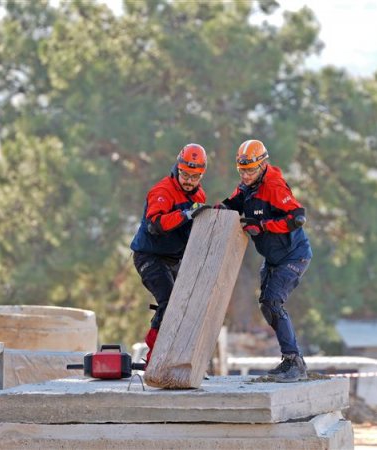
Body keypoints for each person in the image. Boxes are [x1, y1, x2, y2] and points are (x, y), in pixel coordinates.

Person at [218, 139, 312, 382]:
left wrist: (263, 226)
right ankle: (290, 359)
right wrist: (211, 210)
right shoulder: (246, 187)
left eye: (251, 170)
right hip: (273, 258)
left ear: (263, 165)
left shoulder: (274, 186)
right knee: (265, 305)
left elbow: (297, 217)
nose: (246, 175)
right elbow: (231, 204)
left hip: (294, 255)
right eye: (242, 170)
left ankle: (294, 362)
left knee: (272, 302)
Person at [130, 143, 211, 364]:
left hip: (174, 258)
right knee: (169, 303)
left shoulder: (198, 195)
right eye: (185, 174)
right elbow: (155, 225)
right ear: (177, 167)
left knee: (185, 306)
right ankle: (154, 358)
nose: (188, 180)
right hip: (150, 256)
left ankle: (178, 358)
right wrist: (186, 214)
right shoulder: (162, 191)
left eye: (195, 176)